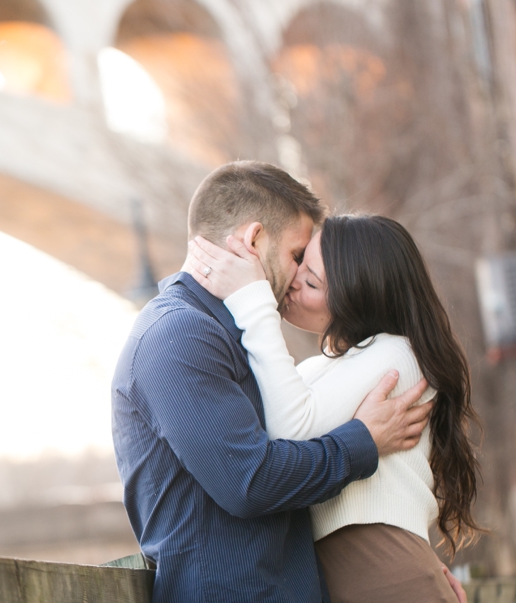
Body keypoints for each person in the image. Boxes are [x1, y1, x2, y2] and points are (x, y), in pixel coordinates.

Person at [111, 161, 438, 603]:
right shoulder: (179, 336)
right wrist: (363, 441)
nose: (300, 274)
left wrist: (408, 566)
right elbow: (251, 482)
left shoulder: (231, 333)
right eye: (297, 255)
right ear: (253, 241)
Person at [185, 213, 481, 602]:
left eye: (310, 281)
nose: (290, 282)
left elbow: (293, 429)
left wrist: (253, 301)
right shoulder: (319, 371)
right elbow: (270, 447)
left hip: (386, 576)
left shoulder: (399, 357)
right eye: (299, 263)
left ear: (357, 298)